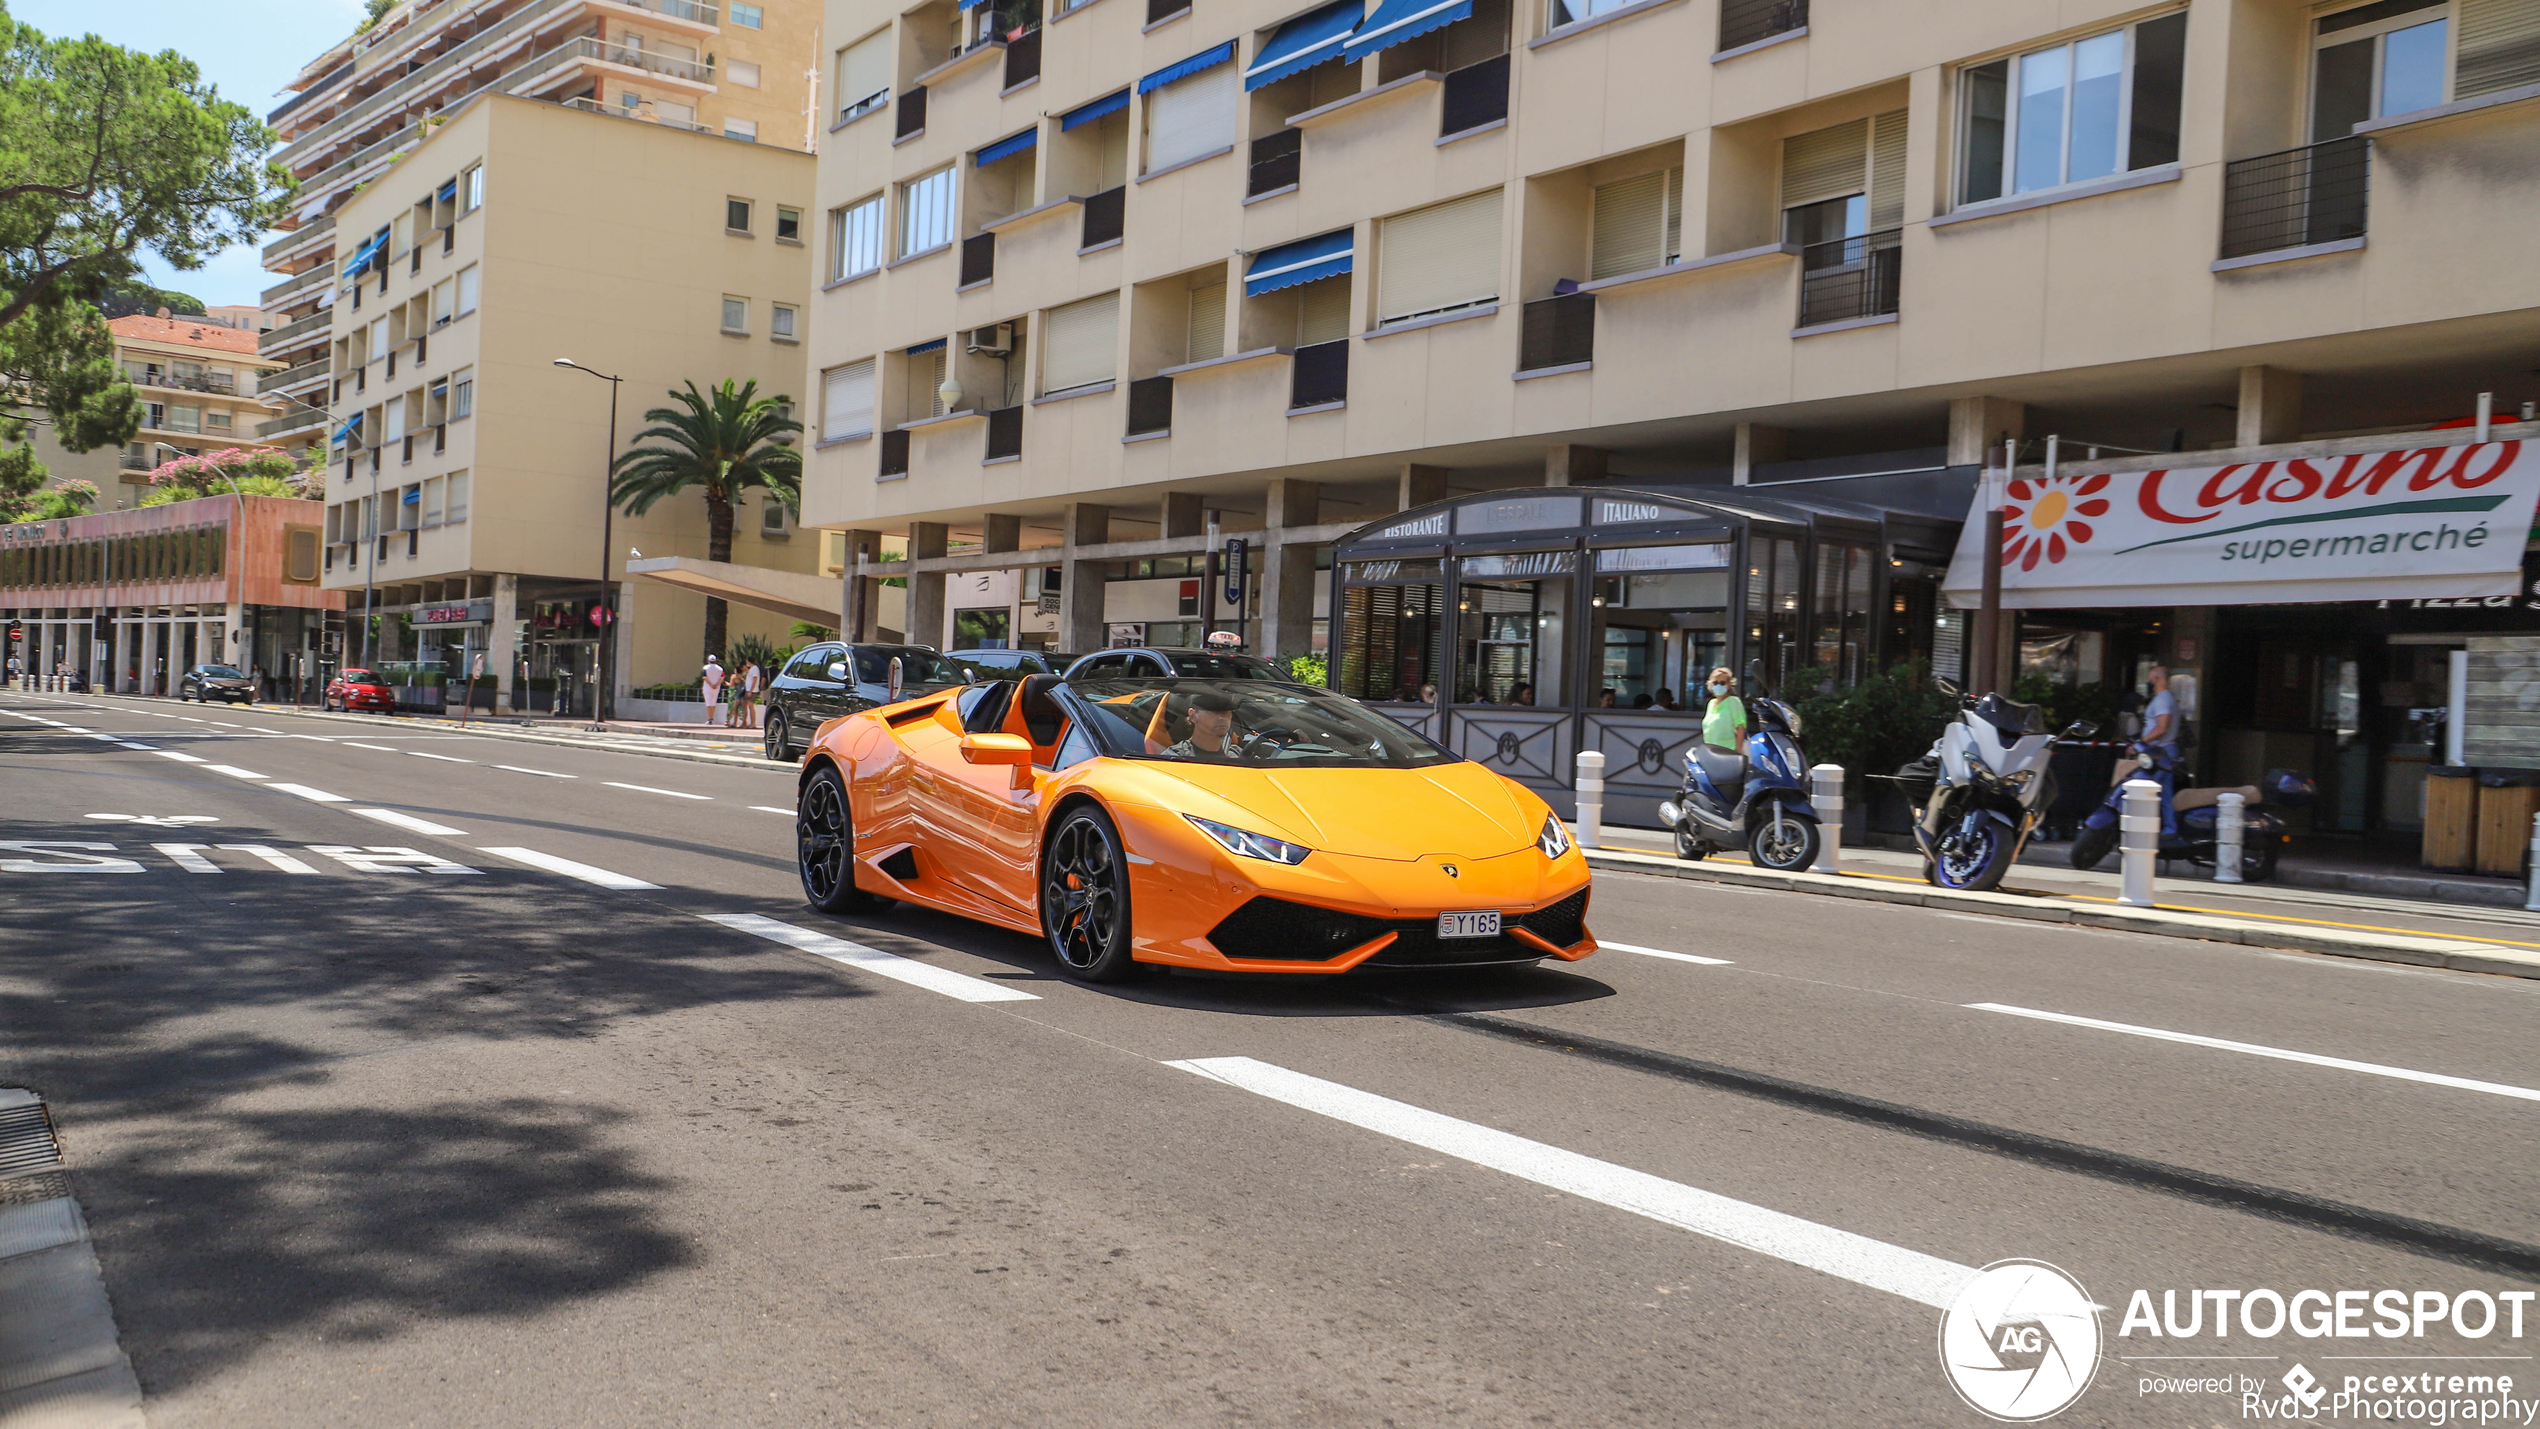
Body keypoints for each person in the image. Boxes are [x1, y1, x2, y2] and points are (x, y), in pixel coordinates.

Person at [2141, 663, 2180, 836]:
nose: (2149, 683)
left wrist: (2141, 742)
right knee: (2165, 794)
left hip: (2159, 753)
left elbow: (2161, 728)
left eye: (2150, 679)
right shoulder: (2167, 698)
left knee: (2146, 791)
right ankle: (2169, 829)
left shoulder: (2163, 700)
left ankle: (2144, 829)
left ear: (2157, 679)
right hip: (2165, 751)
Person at [1164, 690, 1240, 759]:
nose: (1223, 718)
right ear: (1193, 716)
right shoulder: (1174, 757)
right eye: (1214, 712)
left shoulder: (1238, 755)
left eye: (1227, 712)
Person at [1701, 667, 1746, 751]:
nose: (1718, 685)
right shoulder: (1711, 703)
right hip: (1710, 752)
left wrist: (1738, 750)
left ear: (1729, 684)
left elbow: (1740, 727)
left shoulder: (1733, 701)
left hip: (1728, 751)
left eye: (1722, 683)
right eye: (1715, 683)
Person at [734, 659, 762, 729]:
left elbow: (755, 680)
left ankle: (753, 723)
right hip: (748, 690)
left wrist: (751, 691)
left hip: (751, 690)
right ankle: (748, 723)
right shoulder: (749, 670)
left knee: (750, 706)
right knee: (748, 706)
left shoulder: (755, 669)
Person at [700, 653, 726, 727]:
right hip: (716, 688)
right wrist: (716, 685)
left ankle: (710, 719)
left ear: (708, 661)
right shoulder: (720, 669)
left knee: (708, 703)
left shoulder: (705, 668)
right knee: (713, 703)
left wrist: (711, 684)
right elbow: (722, 678)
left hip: (707, 687)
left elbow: (705, 677)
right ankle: (712, 718)